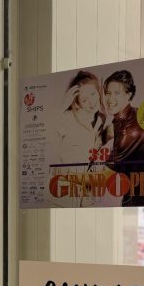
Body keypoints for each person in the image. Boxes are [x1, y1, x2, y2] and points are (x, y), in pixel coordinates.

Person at [101, 69, 144, 206]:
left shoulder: (131, 129)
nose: (110, 99)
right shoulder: (133, 114)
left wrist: (64, 178)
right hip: (143, 199)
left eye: (117, 93)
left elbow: (102, 177)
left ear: (129, 95)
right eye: (108, 93)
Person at [50, 70, 108, 206]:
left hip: (87, 195)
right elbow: (46, 136)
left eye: (93, 94)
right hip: (64, 193)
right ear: (77, 102)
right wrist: (62, 105)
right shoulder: (67, 117)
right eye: (84, 100)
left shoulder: (101, 119)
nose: (91, 102)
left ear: (99, 92)